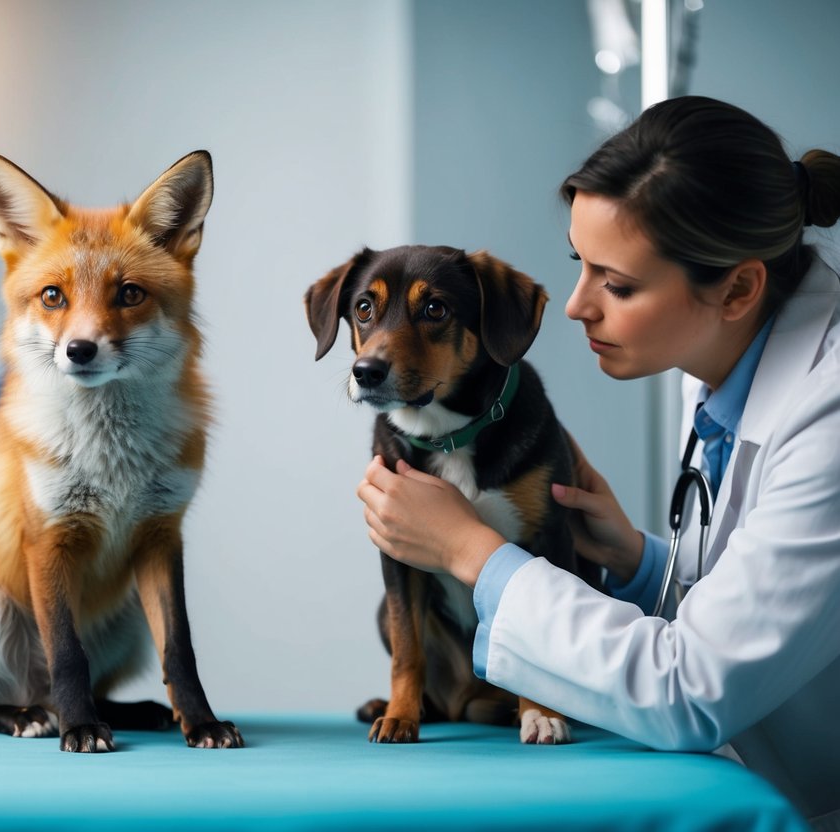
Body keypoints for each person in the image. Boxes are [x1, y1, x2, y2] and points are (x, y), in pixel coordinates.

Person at [356, 95, 840, 830]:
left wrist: (470, 552)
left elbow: (692, 689)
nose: (577, 306)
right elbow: (752, 625)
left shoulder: (828, 411)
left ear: (737, 287)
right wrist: (640, 563)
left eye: (616, 284)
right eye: (580, 266)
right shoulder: (716, 368)